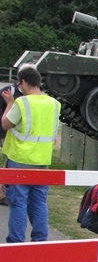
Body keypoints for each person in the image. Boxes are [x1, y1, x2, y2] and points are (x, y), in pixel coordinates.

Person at [1, 65, 59, 242]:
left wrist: (10, 103)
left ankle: (16, 242)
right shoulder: (54, 104)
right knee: (39, 202)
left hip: (19, 159)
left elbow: (5, 124)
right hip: (42, 161)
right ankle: (40, 240)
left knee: (18, 203)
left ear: (24, 82)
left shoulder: (22, 103)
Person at [0, 80, 23, 206]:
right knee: (8, 162)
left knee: (8, 162)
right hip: (5, 130)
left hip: (11, 133)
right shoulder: (10, 91)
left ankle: (2, 193)